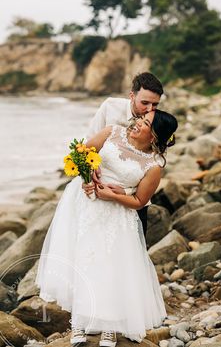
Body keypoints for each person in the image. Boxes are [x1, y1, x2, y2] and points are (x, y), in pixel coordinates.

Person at [35, 109, 178, 347]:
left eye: (145, 124)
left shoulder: (153, 166)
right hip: (84, 205)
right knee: (81, 260)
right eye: (140, 119)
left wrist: (115, 196)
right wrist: (89, 175)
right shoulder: (112, 132)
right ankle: (79, 324)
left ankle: (110, 327)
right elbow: (79, 153)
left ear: (154, 136)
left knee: (111, 268)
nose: (137, 124)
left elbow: (140, 202)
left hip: (117, 216)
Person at [86, 72, 164, 237]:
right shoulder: (110, 107)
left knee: (132, 249)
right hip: (96, 189)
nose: (150, 109)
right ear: (131, 96)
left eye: (155, 104)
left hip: (131, 200)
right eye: (145, 103)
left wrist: (125, 193)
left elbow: (153, 164)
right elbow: (88, 145)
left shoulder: (158, 121)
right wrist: (89, 171)